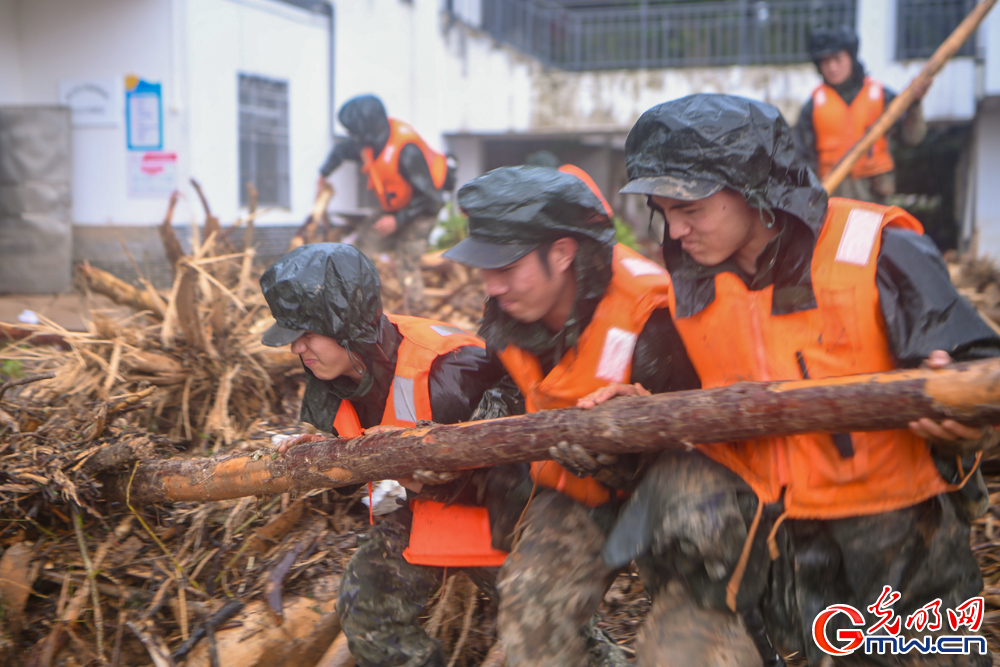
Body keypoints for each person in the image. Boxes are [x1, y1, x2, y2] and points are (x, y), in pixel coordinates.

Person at [590, 93, 999, 666]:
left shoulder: (875, 248)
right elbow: (692, 395)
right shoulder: (690, 281)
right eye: (665, 210)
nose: (676, 230)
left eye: (692, 209)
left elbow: (976, 369)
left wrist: (961, 409)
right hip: (774, 533)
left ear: (754, 190)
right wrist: (641, 405)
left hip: (900, 534)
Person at [442, 165, 701, 667]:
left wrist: (643, 422)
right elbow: (503, 393)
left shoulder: (652, 315)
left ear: (562, 253)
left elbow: (709, 442)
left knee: (692, 630)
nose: (492, 286)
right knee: (529, 610)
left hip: (669, 491)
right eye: (485, 269)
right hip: (576, 486)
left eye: (506, 267)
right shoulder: (507, 311)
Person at [260, 243, 520, 667]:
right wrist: (327, 451)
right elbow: (365, 436)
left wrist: (428, 468)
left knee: (555, 628)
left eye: (306, 335)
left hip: (503, 510)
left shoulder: (449, 370)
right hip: (423, 508)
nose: (296, 350)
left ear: (345, 326)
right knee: (365, 607)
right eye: (292, 337)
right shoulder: (330, 369)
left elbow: (513, 457)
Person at [317, 95, 452, 316]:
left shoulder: (406, 152)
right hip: (395, 204)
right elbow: (342, 151)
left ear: (367, 130)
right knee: (364, 243)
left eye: (355, 133)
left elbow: (433, 198)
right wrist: (323, 175)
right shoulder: (369, 142)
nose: (353, 138)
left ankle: (417, 315)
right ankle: (355, 306)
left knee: (405, 262)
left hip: (423, 206)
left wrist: (398, 220)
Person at [793, 26, 928, 204]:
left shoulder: (881, 96)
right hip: (833, 199)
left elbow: (912, 138)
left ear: (851, 58)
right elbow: (801, 158)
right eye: (825, 62)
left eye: (837, 59)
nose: (832, 67)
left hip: (875, 197)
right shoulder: (812, 107)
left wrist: (914, 106)